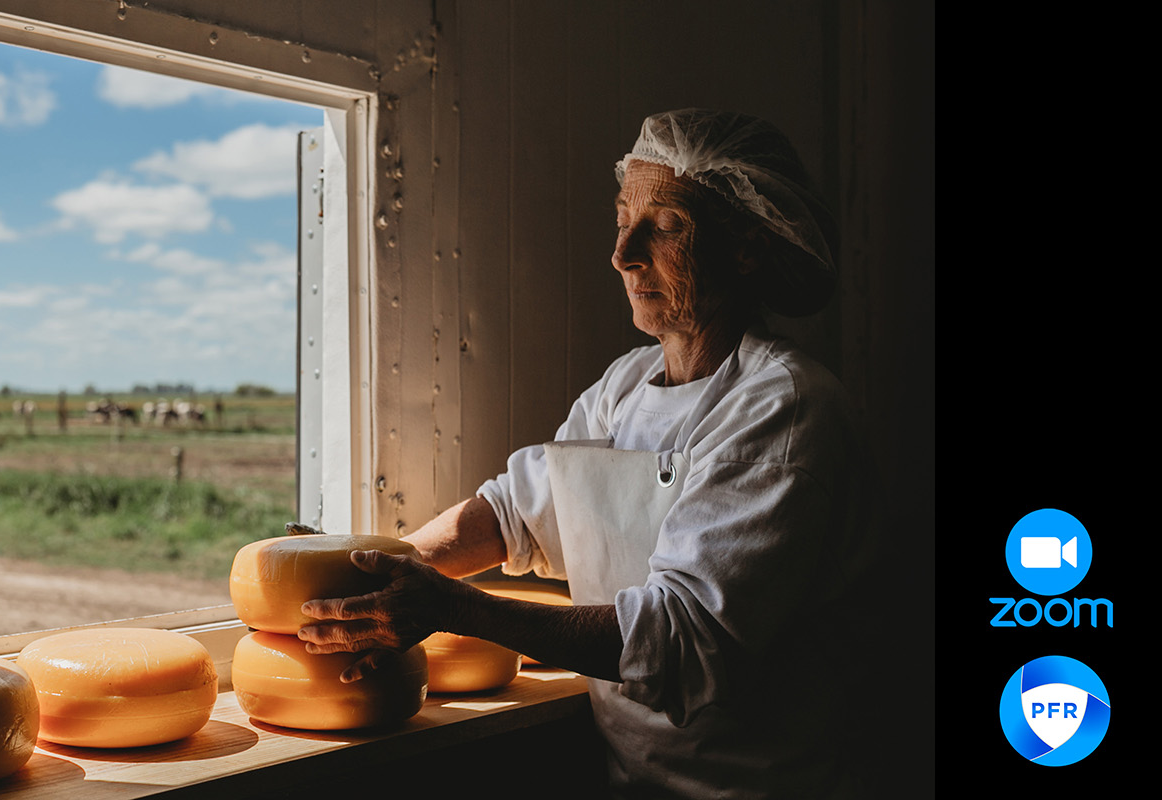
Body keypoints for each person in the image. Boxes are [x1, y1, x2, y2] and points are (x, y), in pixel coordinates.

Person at [295, 109, 873, 798]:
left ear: (745, 245)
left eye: (665, 226)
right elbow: (517, 510)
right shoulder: (625, 385)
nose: (623, 253)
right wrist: (384, 575)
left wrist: (454, 609)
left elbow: (683, 639)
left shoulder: (785, 406)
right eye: (622, 217)